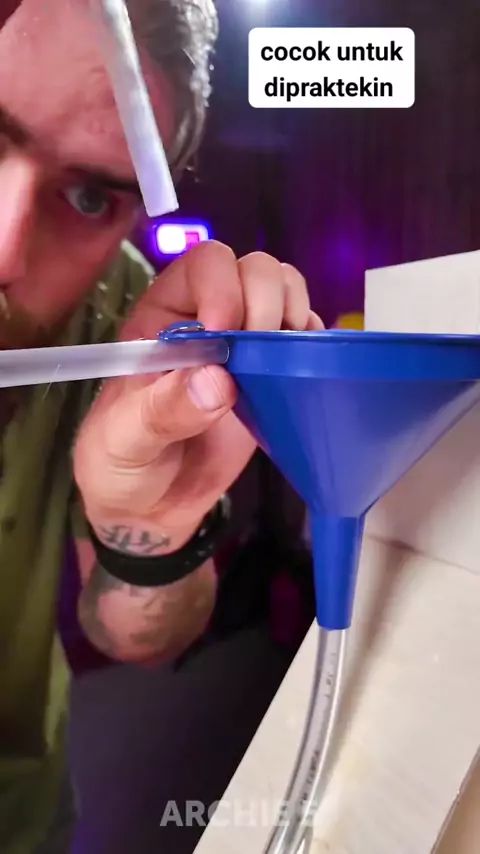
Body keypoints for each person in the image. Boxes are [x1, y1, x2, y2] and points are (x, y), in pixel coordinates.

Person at [0, 0, 324, 851]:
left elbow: (139, 636)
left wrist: (151, 526)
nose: (6, 252)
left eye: (87, 196)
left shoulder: (122, 318)